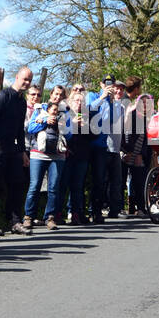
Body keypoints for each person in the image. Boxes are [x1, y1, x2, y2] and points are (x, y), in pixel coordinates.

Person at [0, 66, 32, 235]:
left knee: (17, 184)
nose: (27, 83)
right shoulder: (3, 96)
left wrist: (22, 152)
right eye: (24, 79)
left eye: (29, 80)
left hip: (13, 148)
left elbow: (20, 128)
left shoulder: (22, 101)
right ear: (17, 78)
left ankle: (14, 222)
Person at [25, 89, 67, 230]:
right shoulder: (39, 110)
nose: (58, 97)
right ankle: (28, 217)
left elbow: (71, 135)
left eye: (61, 95)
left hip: (57, 155)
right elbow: (31, 128)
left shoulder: (66, 113)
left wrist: (63, 127)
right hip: (38, 153)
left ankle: (50, 217)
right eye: (56, 94)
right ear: (51, 95)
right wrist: (45, 121)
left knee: (54, 187)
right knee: (34, 185)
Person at [88, 77, 126, 221]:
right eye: (107, 84)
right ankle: (93, 210)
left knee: (115, 181)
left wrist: (109, 102)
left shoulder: (116, 104)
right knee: (99, 180)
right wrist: (103, 97)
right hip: (97, 145)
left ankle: (110, 210)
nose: (109, 87)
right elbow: (89, 110)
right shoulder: (94, 96)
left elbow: (112, 122)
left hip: (112, 147)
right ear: (101, 84)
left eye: (112, 84)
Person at [61, 85, 92, 224]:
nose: (79, 103)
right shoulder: (65, 114)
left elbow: (94, 136)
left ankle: (76, 213)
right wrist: (73, 125)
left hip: (82, 156)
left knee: (78, 186)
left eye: (81, 101)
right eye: (76, 101)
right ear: (70, 102)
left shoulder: (87, 116)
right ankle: (58, 214)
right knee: (63, 185)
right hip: (67, 155)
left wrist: (86, 127)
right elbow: (62, 133)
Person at [122, 76, 152, 216]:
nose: (145, 106)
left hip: (142, 153)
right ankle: (123, 207)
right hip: (129, 152)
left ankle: (141, 208)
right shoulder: (132, 114)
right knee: (122, 181)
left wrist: (142, 154)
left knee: (140, 182)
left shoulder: (151, 118)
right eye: (143, 103)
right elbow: (126, 134)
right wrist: (130, 152)